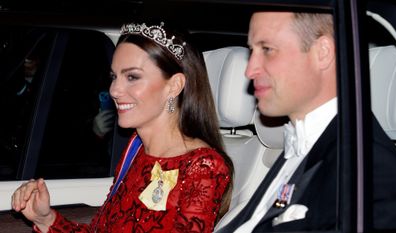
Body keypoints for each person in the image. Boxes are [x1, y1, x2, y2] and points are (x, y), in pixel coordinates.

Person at [11, 21, 233, 233]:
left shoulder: (203, 166)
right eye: (114, 76)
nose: (115, 90)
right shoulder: (135, 150)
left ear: (174, 86)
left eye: (132, 77)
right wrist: (45, 218)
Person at [215, 12, 396, 232]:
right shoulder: (299, 146)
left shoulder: (370, 169)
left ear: (323, 53)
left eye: (268, 50)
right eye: (252, 51)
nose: (250, 70)